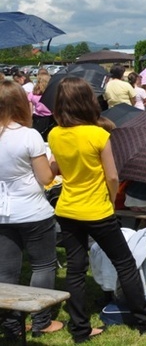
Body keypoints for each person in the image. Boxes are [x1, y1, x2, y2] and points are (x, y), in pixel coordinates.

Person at [48, 77, 146, 342]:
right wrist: (111, 198)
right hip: (97, 209)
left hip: (67, 209)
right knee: (125, 263)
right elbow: (112, 176)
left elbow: (54, 168)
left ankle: (80, 328)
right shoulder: (99, 134)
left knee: (76, 270)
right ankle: (145, 320)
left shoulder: (55, 134)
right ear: (88, 102)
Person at [0, 81, 63, 339]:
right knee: (43, 265)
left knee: (6, 271)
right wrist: (55, 164)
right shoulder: (29, 136)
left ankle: (12, 325)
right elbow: (46, 177)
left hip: (3, 213)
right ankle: (41, 320)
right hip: (33, 210)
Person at [29, 73, 54, 140]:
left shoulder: (33, 93)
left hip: (37, 118)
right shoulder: (52, 93)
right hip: (50, 118)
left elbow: (30, 110)